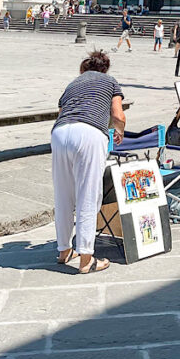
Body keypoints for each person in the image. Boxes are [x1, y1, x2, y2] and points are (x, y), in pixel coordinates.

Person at [51, 49, 125, 274]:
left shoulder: (73, 84)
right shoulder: (111, 82)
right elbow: (118, 115)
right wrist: (119, 131)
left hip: (60, 133)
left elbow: (64, 112)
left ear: (84, 68)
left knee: (63, 195)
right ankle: (86, 258)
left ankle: (64, 251)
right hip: (90, 133)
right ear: (105, 68)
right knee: (88, 195)